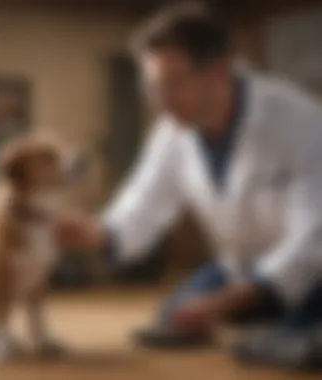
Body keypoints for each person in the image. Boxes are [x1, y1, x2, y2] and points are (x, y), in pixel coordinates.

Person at [58, 3, 322, 367]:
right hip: (238, 266)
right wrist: (98, 234)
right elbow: (145, 199)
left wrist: (229, 300)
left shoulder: (300, 120)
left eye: (172, 84)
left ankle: (292, 329)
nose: (160, 102)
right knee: (175, 316)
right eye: (152, 87)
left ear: (217, 72)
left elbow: (313, 238)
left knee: (291, 345)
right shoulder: (173, 129)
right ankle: (271, 323)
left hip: (311, 271)